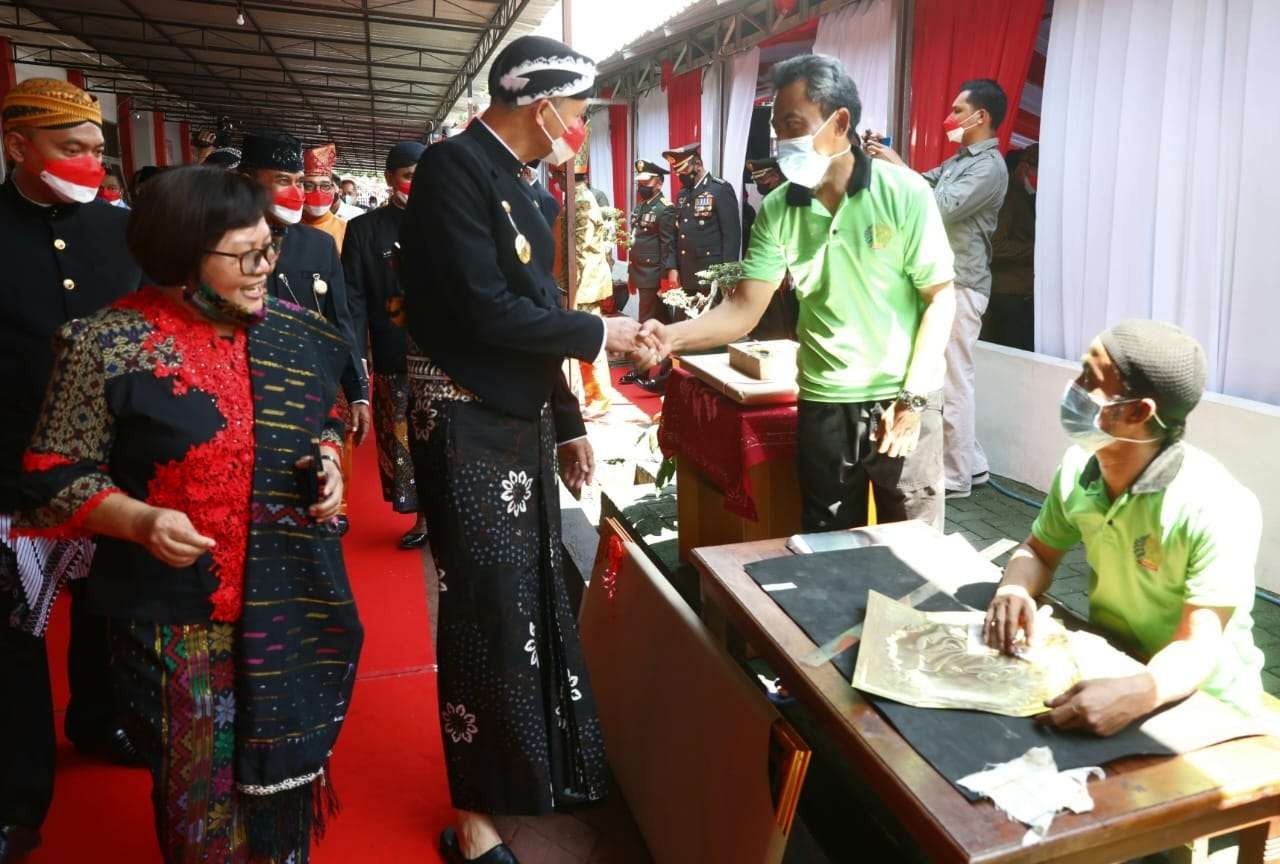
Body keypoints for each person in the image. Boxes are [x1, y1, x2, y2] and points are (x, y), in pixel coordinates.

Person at [15, 166, 362, 861]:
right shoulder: (106, 343)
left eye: (271, 249)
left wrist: (327, 461)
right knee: (197, 795)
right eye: (245, 255)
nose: (266, 269)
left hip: (286, 596)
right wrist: (139, 521)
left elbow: (323, 418)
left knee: (283, 783)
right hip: (171, 618)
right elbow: (53, 475)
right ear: (178, 258)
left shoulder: (295, 333)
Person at [400, 34, 644, 864]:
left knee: (532, 601)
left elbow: (536, 302)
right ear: (538, 100)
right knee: (483, 613)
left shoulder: (520, 182)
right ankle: (474, 816)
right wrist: (603, 332)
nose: (578, 126)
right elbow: (483, 311)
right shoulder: (452, 172)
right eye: (576, 111)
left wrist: (569, 418)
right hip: (466, 422)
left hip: (520, 420)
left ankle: (531, 773)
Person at [636, 54, 956, 533]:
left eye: (792, 125)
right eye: (776, 127)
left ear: (839, 122)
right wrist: (670, 337)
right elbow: (744, 308)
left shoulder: (904, 193)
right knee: (828, 548)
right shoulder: (780, 207)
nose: (782, 142)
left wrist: (913, 402)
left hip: (900, 400)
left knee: (912, 549)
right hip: (824, 401)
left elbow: (939, 299)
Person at [984, 320, 1263, 735]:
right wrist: (1014, 587)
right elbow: (1038, 552)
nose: (1072, 389)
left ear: (1137, 411)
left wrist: (1141, 690)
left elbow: (1197, 646)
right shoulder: (1080, 468)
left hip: (1198, 700)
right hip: (1116, 663)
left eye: (1088, 380)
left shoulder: (1217, 505)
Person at [0, 77, 143, 864]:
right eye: (71, 148)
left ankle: (98, 716)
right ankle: (17, 797)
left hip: (112, 461)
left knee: (105, 604)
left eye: (96, 149)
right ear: (18, 145)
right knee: (15, 631)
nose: (90, 163)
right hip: (11, 464)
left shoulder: (122, 232)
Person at [866, 78, 1009, 499]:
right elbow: (918, 185)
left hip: (962, 284)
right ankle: (974, 466)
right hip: (943, 280)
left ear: (980, 117)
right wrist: (883, 161)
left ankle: (958, 477)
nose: (951, 117)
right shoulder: (959, 160)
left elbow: (940, 206)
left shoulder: (989, 166)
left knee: (954, 382)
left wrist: (894, 160)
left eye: (958, 110)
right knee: (946, 377)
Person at [240, 129, 370, 536]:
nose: (296, 192)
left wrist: (358, 390)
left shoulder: (317, 245)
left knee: (315, 485)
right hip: (242, 389)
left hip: (309, 390)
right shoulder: (221, 239)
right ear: (248, 181)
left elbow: (339, 321)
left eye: (300, 182)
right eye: (283, 180)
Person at [342, 140, 430, 549]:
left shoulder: (448, 221)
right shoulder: (364, 230)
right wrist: (356, 362)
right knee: (402, 439)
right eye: (409, 176)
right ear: (389, 178)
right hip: (393, 352)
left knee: (445, 439)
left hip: (447, 357)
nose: (417, 184)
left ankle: (446, 515)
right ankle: (421, 517)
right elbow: (353, 303)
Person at [639, 140, 741, 393]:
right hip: (687, 275)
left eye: (682, 169)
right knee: (686, 327)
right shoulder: (683, 196)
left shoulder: (719, 190)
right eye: (675, 171)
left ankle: (709, 384)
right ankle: (676, 379)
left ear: (696, 163)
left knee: (710, 332)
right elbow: (676, 237)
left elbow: (732, 235)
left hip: (711, 276)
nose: (679, 175)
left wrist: (727, 277)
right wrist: (672, 268)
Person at [552, 143, 617, 417]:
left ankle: (598, 397)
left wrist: (570, 291)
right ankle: (591, 395)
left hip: (583, 286)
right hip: (581, 283)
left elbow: (577, 253)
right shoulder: (581, 197)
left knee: (589, 341)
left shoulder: (579, 201)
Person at [619, 159, 676, 386]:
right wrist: (631, 274)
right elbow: (636, 242)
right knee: (662, 321)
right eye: (640, 182)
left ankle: (642, 371)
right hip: (640, 272)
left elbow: (667, 245)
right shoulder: (641, 207)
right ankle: (667, 367)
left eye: (647, 182)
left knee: (645, 323)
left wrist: (666, 277)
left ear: (659, 183)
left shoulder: (665, 208)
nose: (642, 186)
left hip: (653, 274)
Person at [983, 144, 1037, 351]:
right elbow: (995, 245)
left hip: (1015, 291)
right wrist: (1035, 250)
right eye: (1035, 171)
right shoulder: (1008, 198)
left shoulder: (1023, 198)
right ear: (1023, 168)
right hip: (1007, 294)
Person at [742, 157, 798, 341]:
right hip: (773, 270)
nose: (758, 185)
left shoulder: (792, 197)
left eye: (761, 180)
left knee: (789, 315)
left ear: (774, 176)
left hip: (791, 272)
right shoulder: (772, 200)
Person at [300, 143, 347, 253]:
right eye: (309, 186)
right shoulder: (286, 226)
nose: (318, 192)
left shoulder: (346, 230)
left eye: (325, 186)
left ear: (333, 190)